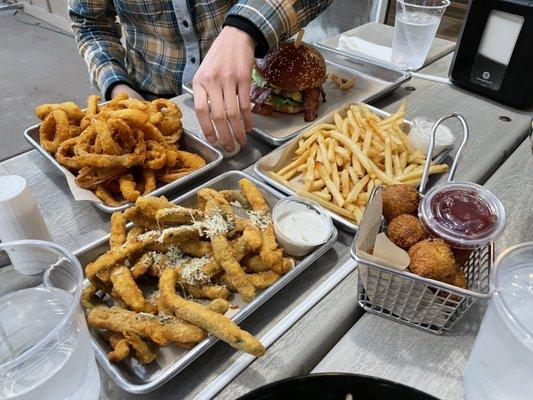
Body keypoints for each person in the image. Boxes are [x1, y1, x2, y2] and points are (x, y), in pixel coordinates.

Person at [68, 0, 332, 152]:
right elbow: (90, 23)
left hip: (250, 108)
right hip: (150, 103)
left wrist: (245, 28)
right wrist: (118, 88)